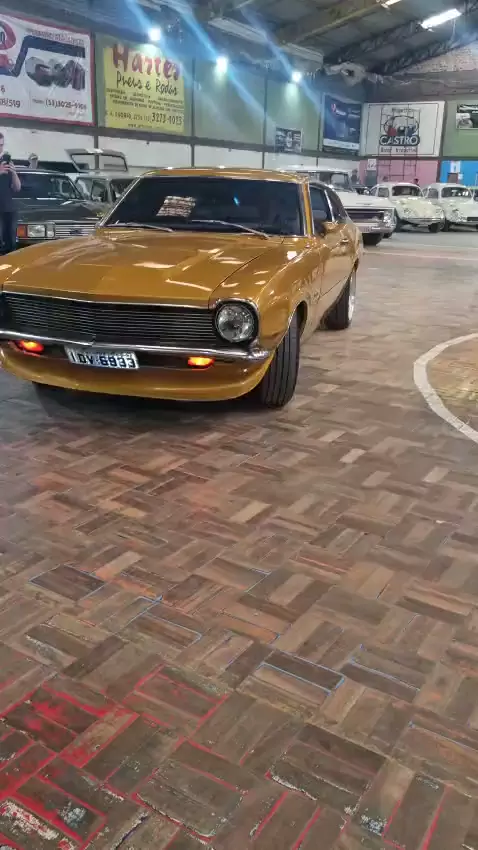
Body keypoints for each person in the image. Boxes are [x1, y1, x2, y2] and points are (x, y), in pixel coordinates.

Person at [0, 133, 21, 254]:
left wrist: (14, 173)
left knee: (11, 244)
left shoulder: (6, 162)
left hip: (9, 209)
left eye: (1, 145)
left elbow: (17, 188)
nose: (0, 148)